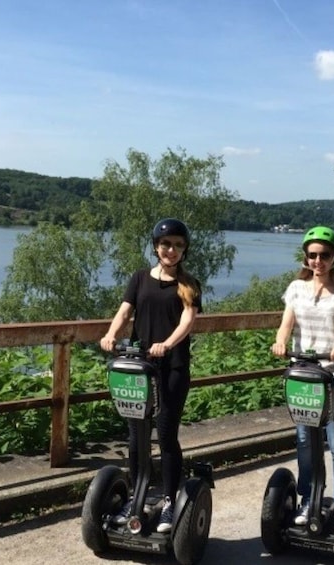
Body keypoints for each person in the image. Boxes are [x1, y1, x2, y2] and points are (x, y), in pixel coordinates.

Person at [100, 218, 202, 533]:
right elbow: (125, 311)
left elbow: (187, 321)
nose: (171, 250)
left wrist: (167, 344)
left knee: (166, 434)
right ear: (156, 246)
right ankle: (138, 496)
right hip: (139, 367)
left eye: (178, 245)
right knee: (137, 436)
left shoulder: (189, 284)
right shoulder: (140, 278)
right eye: (166, 244)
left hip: (172, 368)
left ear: (184, 250)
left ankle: (170, 500)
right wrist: (111, 334)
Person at [271, 225, 334, 533]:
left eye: (324, 255)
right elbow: (286, 325)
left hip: (333, 377)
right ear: (305, 257)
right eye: (312, 255)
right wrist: (280, 342)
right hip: (304, 376)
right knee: (304, 441)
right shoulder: (296, 289)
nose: (318, 261)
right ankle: (309, 499)